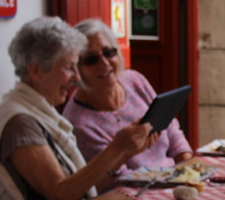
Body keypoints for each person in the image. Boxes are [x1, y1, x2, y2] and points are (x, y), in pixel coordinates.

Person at [0, 17, 203, 200]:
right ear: (36, 70)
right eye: (69, 67)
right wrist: (117, 149)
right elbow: (62, 194)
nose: (76, 78)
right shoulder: (20, 122)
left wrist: (121, 150)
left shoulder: (37, 112)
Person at [62, 18, 193, 174]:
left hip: (173, 177)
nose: (104, 63)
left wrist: (187, 167)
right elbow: (119, 180)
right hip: (136, 192)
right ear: (77, 67)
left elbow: (170, 127)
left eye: (108, 52)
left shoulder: (133, 80)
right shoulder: (79, 123)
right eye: (91, 59)